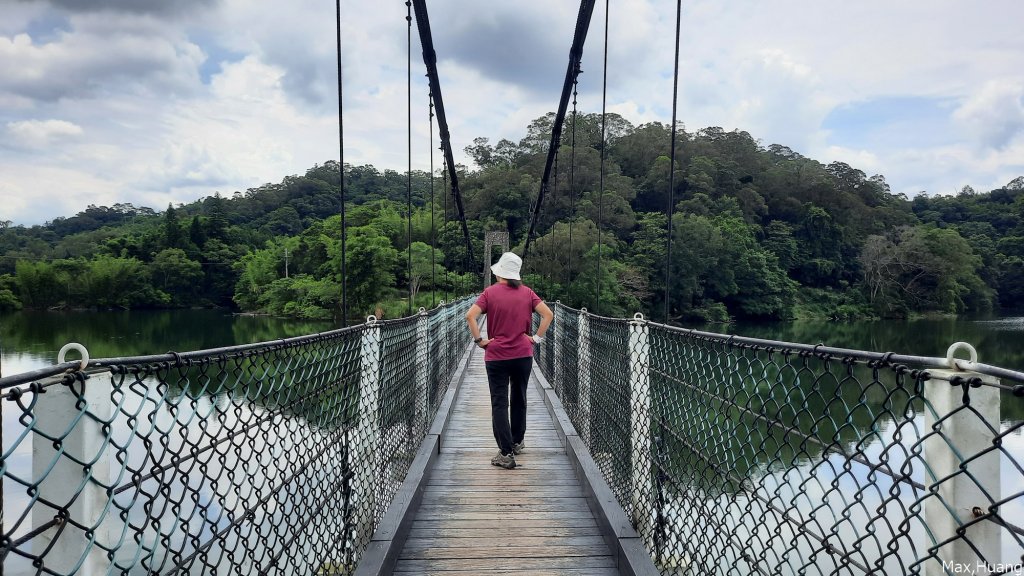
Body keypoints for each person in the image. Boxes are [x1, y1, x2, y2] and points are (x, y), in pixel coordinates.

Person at [466, 252, 553, 470]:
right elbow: (548, 315)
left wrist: (480, 341)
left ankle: (504, 453)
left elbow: (470, 316)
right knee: (519, 397)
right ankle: (517, 441)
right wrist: (535, 338)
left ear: (499, 273)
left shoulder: (489, 293)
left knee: (499, 402)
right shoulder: (527, 293)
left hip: (496, 355)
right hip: (523, 354)